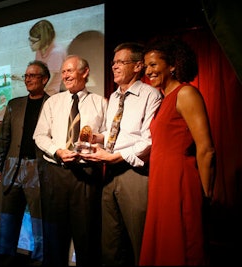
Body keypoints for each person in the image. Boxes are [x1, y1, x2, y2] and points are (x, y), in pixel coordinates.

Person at [80, 42, 163, 266]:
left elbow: (149, 140)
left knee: (138, 239)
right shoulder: (114, 96)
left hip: (135, 174)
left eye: (120, 62)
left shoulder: (151, 94)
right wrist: (94, 139)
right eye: (113, 62)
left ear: (138, 66)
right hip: (110, 173)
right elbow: (112, 133)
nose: (115, 67)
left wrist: (115, 157)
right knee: (111, 242)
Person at [139, 37, 216, 266]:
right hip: (161, 181)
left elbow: (206, 149)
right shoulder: (164, 99)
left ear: (172, 65)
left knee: (183, 243)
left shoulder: (186, 94)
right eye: (146, 66)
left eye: (153, 64)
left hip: (180, 180)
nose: (148, 71)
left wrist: (206, 193)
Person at [33, 55, 108, 267]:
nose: (65, 75)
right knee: (55, 238)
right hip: (56, 174)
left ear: (85, 72)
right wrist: (58, 151)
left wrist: (95, 141)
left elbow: (108, 136)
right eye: (64, 71)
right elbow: (39, 136)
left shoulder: (100, 103)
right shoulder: (53, 103)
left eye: (70, 70)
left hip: (86, 177)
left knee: (87, 237)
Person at [0, 60, 50, 266]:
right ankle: (5, 258)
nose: (28, 79)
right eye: (26, 76)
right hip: (12, 168)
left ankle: (39, 260)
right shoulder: (13, 105)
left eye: (33, 76)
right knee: (8, 221)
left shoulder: (53, 104)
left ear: (44, 79)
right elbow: (4, 139)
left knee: (39, 222)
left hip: (38, 168)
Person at [28, 19, 67, 96]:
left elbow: (46, 83)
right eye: (29, 40)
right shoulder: (39, 50)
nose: (30, 44)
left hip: (53, 95)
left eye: (33, 41)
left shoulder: (56, 53)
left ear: (43, 40)